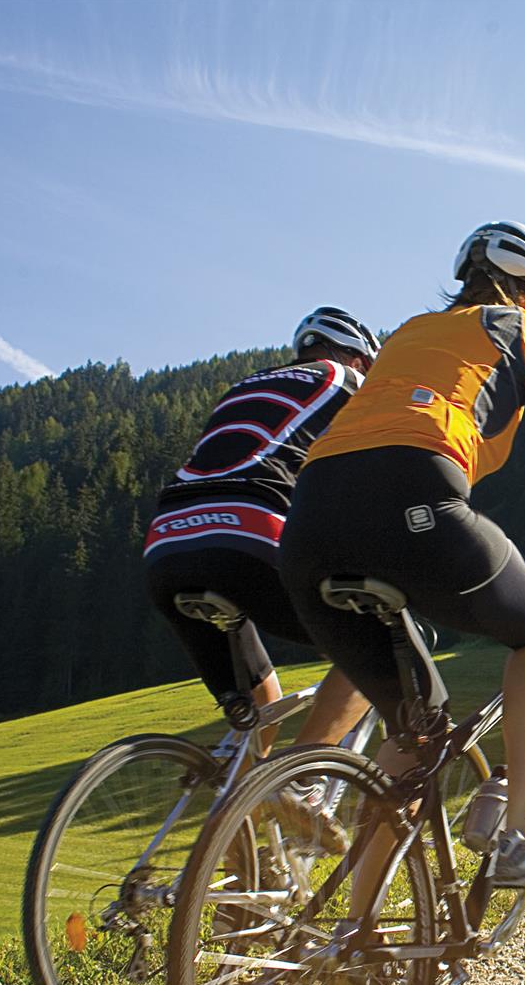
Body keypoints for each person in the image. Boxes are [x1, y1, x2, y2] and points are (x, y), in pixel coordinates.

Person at [280, 221, 525, 892]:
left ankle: (354, 939)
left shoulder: (408, 333)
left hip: (309, 519)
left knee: (416, 734)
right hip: (414, 497)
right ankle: (521, 835)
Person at [144, 306, 376, 751]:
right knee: (375, 649)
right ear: (360, 360)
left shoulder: (244, 387)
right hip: (246, 532)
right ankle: (301, 784)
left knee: (260, 701)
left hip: (167, 543)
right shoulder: (346, 381)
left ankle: (233, 810)